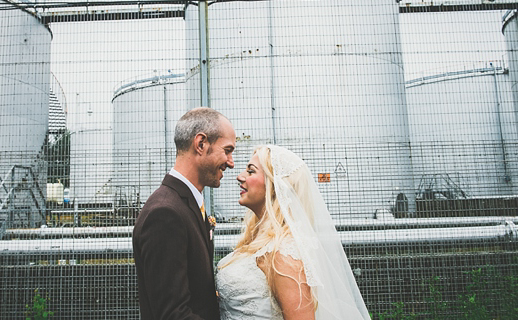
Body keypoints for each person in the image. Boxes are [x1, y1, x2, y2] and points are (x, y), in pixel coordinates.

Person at [216, 145, 370, 319]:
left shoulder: (284, 252)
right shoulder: (259, 240)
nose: (240, 176)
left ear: (276, 187)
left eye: (251, 172)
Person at [133, 107, 236, 320]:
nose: (231, 162)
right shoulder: (165, 213)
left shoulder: (183, 204)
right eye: (227, 150)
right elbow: (173, 314)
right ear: (201, 144)